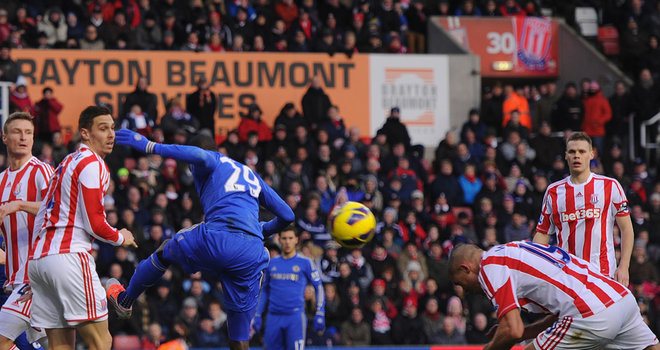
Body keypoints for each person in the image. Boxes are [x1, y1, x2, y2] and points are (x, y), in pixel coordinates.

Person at [106, 129, 295, 350]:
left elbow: (201, 156)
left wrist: (150, 146)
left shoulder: (210, 160)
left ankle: (125, 301)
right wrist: (263, 231)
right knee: (239, 333)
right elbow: (288, 215)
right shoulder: (251, 174)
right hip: (252, 251)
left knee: (165, 250)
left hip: (219, 237)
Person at [28, 106, 138, 350]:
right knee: (102, 342)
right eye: (103, 128)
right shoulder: (93, 164)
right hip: (69, 257)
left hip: (40, 261)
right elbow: (96, 223)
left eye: (112, 128)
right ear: (85, 134)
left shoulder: (66, 162)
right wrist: (122, 237)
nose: (111, 134)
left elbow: (44, 212)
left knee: (60, 345)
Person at [448, 242, 659, 350]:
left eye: (460, 283)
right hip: (620, 297)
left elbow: (512, 329)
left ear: (465, 268)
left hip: (591, 312)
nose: (464, 290)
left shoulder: (489, 266)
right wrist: (523, 334)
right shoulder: (515, 250)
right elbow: (558, 314)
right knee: (651, 347)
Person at [533, 132, 634, 286]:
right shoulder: (553, 192)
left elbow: (626, 229)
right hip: (567, 277)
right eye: (572, 152)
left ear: (591, 154)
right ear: (566, 155)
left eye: (582, 151)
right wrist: (536, 270)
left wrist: (624, 266)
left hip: (603, 274)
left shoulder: (610, 186)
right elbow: (542, 235)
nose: (577, 156)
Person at [0, 113, 53, 350]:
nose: (23, 137)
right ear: (4, 137)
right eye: (17, 132)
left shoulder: (41, 171)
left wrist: (20, 204)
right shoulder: (0, 180)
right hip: (15, 279)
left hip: (36, 276)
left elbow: (62, 209)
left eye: (28, 132)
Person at [252, 226, 325, 349]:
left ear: (296, 240)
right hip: (273, 317)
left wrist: (320, 312)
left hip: (295, 317)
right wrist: (258, 314)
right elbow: (264, 290)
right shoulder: (272, 263)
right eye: (284, 238)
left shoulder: (305, 262)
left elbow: (318, 287)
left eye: (290, 238)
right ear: (279, 240)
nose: (287, 242)